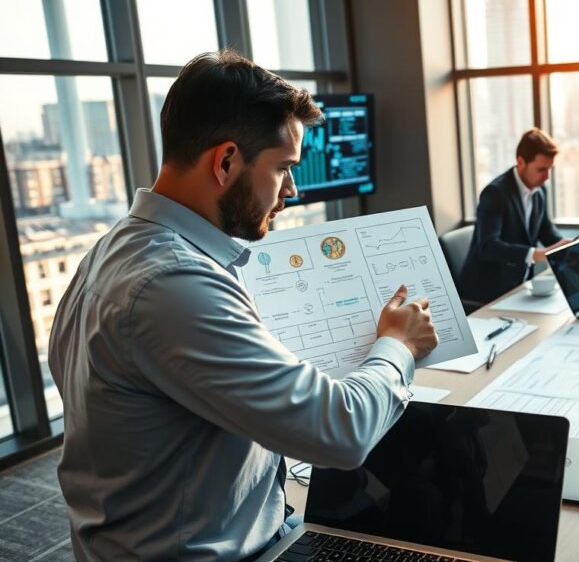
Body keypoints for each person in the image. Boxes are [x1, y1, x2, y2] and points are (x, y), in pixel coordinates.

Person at [47, 50, 439, 561]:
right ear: (226, 161)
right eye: (283, 168)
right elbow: (341, 433)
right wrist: (398, 344)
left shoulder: (114, 250)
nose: (291, 189)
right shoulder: (173, 284)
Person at [459, 128, 572, 304]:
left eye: (550, 169)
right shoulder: (495, 193)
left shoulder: (540, 190)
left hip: (520, 287)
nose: (546, 177)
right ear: (521, 162)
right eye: (541, 169)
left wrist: (570, 250)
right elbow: (488, 247)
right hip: (487, 293)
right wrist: (537, 254)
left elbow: (547, 232)